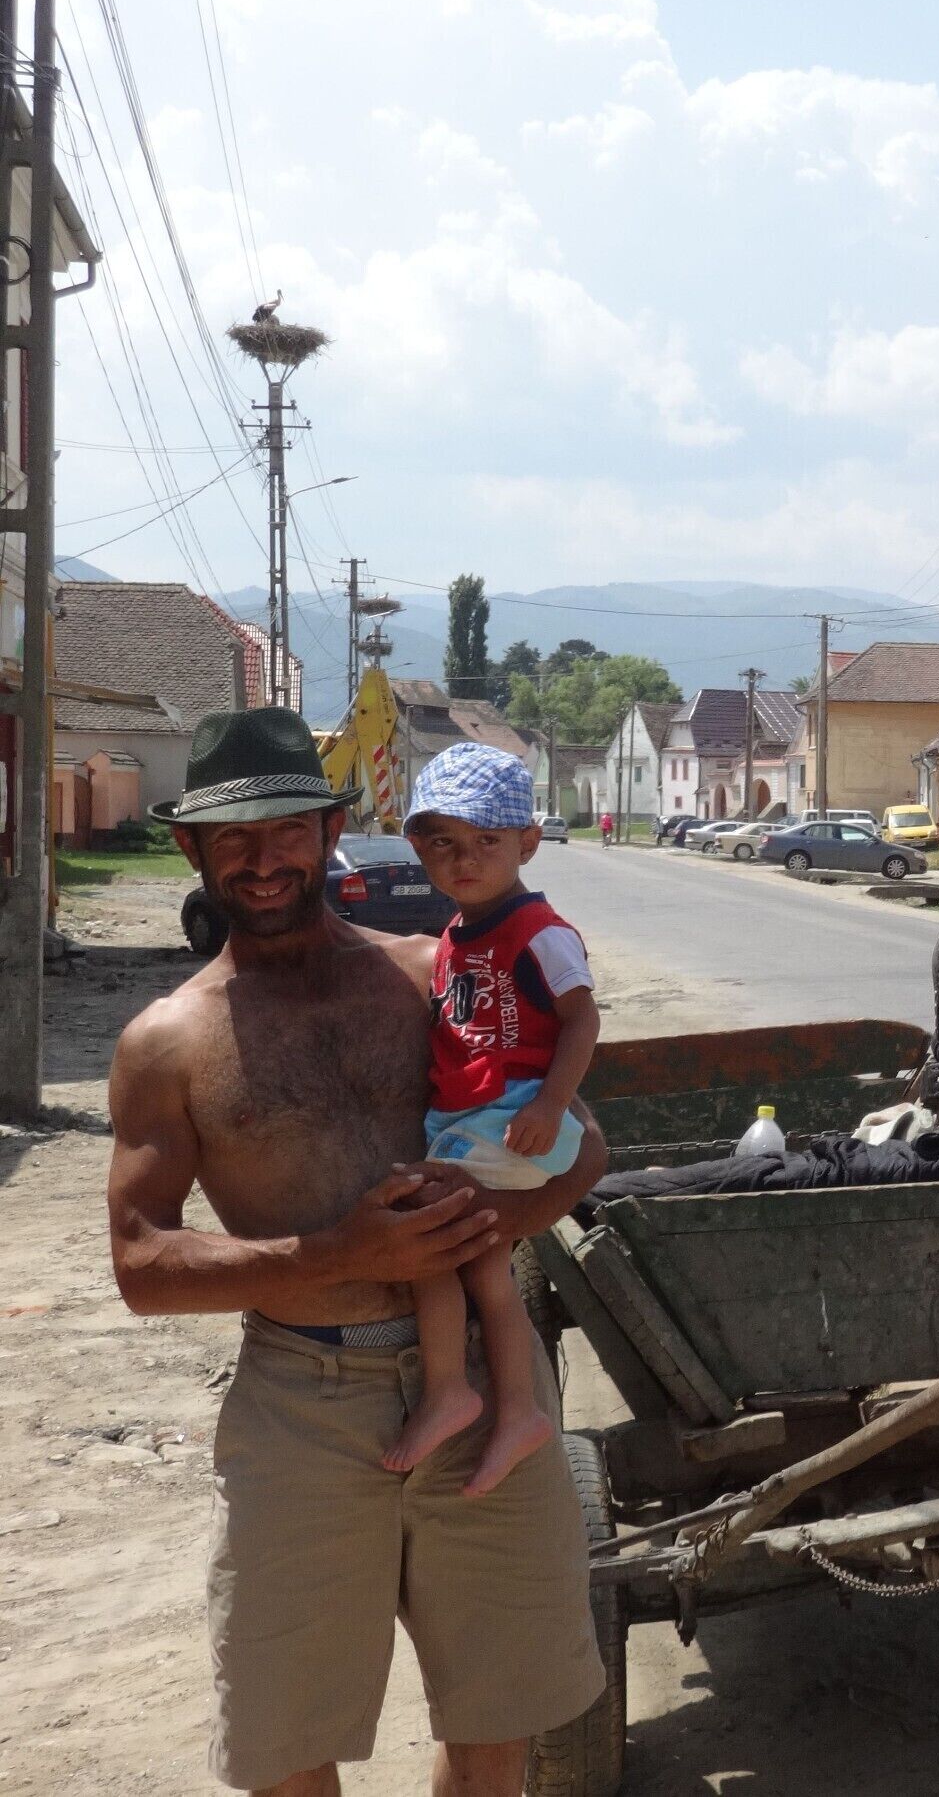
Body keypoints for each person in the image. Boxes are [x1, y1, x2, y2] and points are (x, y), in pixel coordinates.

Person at [105, 708, 607, 1796]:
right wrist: (338, 1248)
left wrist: (488, 1226)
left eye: (289, 826)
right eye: (233, 836)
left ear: (331, 830)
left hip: (481, 1377)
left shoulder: (434, 973)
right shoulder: (167, 1041)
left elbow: (582, 1148)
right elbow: (142, 1262)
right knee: (288, 1743)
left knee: (499, 1721)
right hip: (301, 1400)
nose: (264, 855)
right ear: (191, 848)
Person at [386, 741, 600, 1495]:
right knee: (484, 1267)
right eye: (442, 842)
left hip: (511, 1121)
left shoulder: (539, 930)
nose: (463, 859)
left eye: (486, 842)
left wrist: (548, 1103)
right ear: (418, 847)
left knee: (433, 1241)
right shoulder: (455, 936)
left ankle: (452, 1391)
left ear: (528, 844)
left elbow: (582, 1020)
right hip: (470, 1120)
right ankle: (515, 1411)